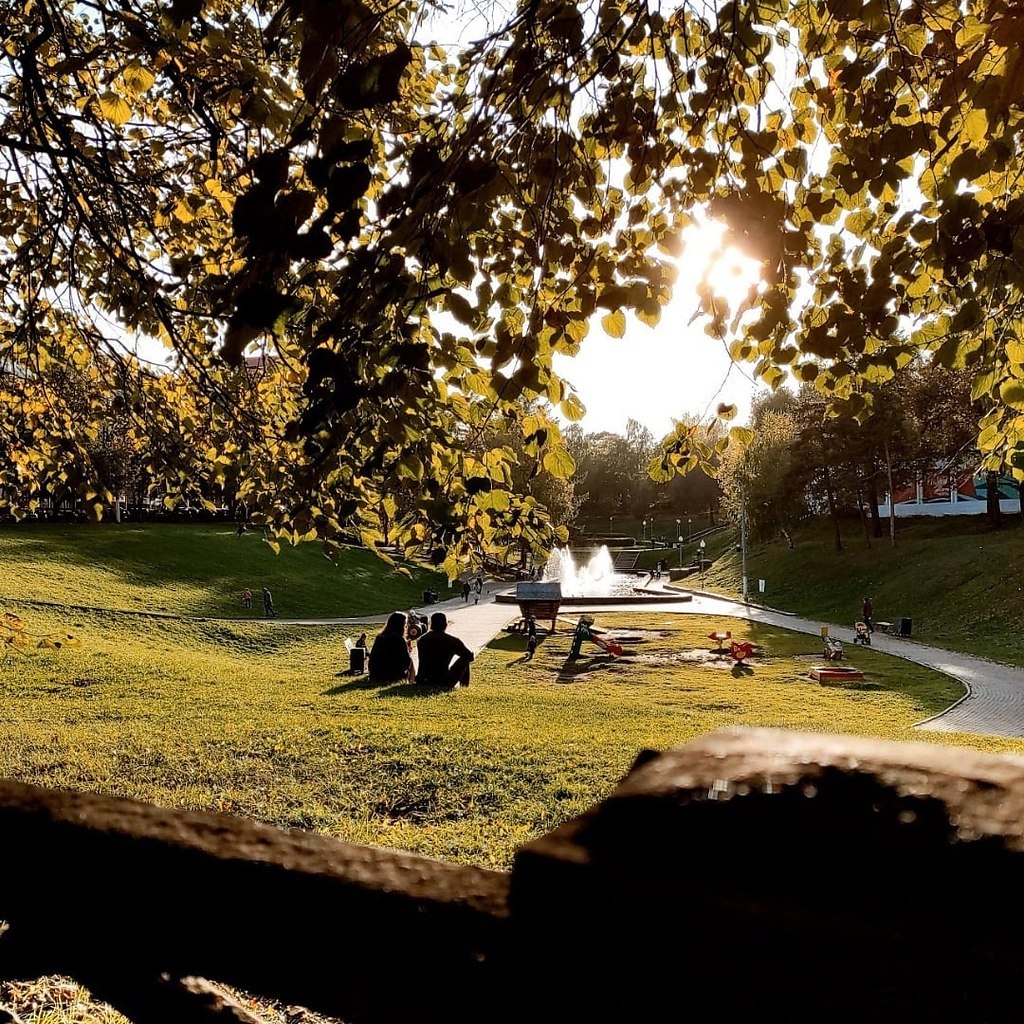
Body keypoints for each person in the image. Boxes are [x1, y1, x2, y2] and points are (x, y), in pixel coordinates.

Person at [416, 611, 474, 689]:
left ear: (431, 625)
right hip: (443, 680)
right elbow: (470, 657)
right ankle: (464, 686)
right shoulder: (452, 641)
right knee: (465, 659)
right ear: (445, 625)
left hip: (423, 679)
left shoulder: (422, 640)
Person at [368, 612, 415, 683]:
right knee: (411, 661)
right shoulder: (399, 639)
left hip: (375, 674)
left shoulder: (380, 637)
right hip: (392, 675)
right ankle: (411, 681)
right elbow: (406, 661)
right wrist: (409, 651)